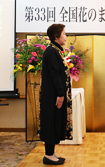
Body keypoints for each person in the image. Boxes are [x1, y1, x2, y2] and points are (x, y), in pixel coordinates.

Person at [40, 24, 71, 165]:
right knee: (51, 121)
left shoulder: (56, 51)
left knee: (54, 121)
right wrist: (60, 94)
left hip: (54, 94)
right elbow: (55, 75)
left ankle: (51, 153)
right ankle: (48, 155)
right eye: (64, 34)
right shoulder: (52, 52)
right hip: (52, 96)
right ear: (56, 36)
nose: (66, 36)